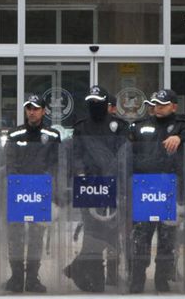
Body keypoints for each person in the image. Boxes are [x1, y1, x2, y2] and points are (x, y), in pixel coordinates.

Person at [64, 86, 130, 292]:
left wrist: (115, 177)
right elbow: (76, 154)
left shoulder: (119, 126)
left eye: (97, 101)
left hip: (114, 185)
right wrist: (81, 174)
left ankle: (79, 268)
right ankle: (96, 279)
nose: (94, 105)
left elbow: (125, 155)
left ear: (105, 103)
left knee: (110, 232)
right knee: (92, 231)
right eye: (90, 102)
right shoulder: (81, 127)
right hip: (89, 186)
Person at [128, 89, 185, 293]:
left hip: (169, 191)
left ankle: (162, 280)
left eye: (163, 104)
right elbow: (128, 156)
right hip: (144, 190)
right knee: (141, 239)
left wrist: (181, 138)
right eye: (155, 103)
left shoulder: (183, 127)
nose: (158, 107)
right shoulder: (139, 127)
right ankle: (137, 279)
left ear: (174, 106)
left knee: (167, 240)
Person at [5, 94, 61, 293]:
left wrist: (55, 193)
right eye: (29, 108)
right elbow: (9, 163)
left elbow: (57, 166)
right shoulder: (14, 134)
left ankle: (32, 279)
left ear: (44, 111)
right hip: (18, 192)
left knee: (37, 236)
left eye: (36, 108)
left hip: (41, 192)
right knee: (16, 236)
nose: (32, 111)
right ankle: (17, 277)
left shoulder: (53, 135)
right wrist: (14, 187)